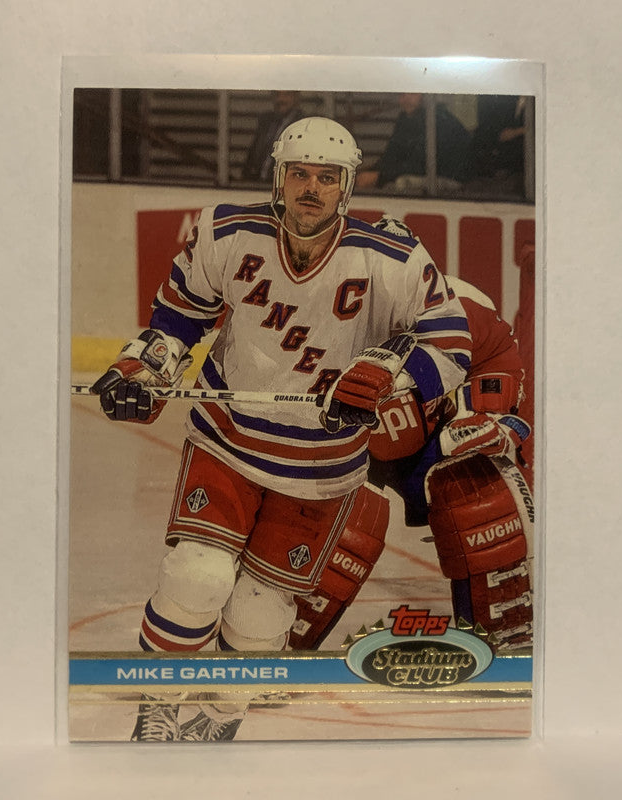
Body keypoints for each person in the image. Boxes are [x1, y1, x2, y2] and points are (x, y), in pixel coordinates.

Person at [91, 118, 472, 741]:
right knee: (196, 577)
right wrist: (145, 365)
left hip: (322, 467)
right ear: (279, 177)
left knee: (260, 616)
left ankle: (218, 722)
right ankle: (157, 709)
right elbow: (179, 318)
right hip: (228, 438)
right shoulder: (226, 232)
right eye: (299, 174)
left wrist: (388, 376)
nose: (311, 188)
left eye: (327, 177)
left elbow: (450, 343)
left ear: (346, 186)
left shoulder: (393, 257)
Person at [291, 217, 534, 654]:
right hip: (348, 443)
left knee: (481, 499)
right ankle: (274, 641)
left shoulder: (462, 304)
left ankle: (504, 642)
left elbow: (497, 353)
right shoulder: (316, 308)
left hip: (433, 436)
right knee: (337, 528)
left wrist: (488, 416)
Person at [356, 93, 472, 193]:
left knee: (402, 183)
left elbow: (421, 165)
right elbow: (391, 155)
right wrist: (370, 172)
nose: (405, 99)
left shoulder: (440, 120)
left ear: (426, 94)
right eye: (401, 94)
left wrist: (380, 176)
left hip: (450, 181)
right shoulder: (405, 119)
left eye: (412, 93)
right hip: (422, 174)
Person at [241, 91, 305, 183]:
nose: (280, 99)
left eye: (286, 95)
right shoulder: (266, 121)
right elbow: (252, 154)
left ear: (296, 97)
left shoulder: (302, 124)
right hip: (256, 183)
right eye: (277, 95)